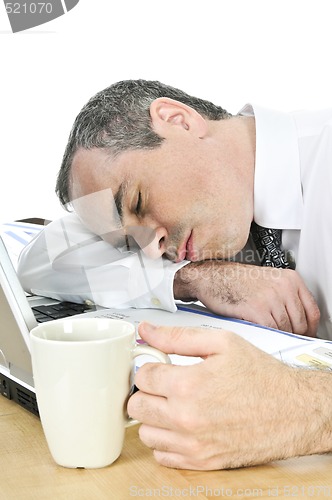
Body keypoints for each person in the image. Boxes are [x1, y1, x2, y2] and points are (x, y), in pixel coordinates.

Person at [17, 79, 332, 469]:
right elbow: (42, 260)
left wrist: (300, 411)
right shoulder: (205, 219)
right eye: (129, 243)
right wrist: (195, 277)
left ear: (177, 120)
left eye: (137, 201)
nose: (151, 249)